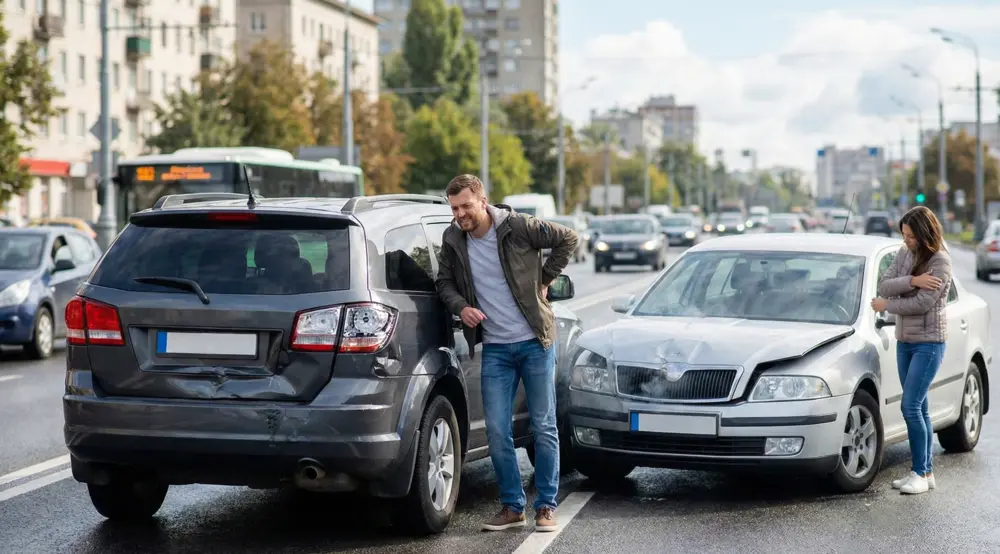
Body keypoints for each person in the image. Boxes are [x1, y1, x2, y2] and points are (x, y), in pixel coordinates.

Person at [435, 174, 579, 532]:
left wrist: (544, 280)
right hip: (496, 348)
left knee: (544, 426)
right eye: (454, 208)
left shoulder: (518, 226)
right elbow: (443, 282)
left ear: (483, 201)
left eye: (466, 205)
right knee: (498, 431)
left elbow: (568, 238)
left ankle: (546, 505)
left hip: (534, 341)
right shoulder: (453, 238)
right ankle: (513, 507)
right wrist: (461, 306)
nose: (460, 214)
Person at [871, 206, 952, 495]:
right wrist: (913, 281)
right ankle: (925, 472)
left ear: (923, 232)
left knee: (910, 406)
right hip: (905, 341)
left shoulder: (941, 261)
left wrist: (888, 305)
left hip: (929, 343)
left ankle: (918, 472)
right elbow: (884, 284)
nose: (905, 240)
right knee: (921, 407)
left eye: (910, 235)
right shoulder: (904, 255)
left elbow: (922, 304)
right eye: (903, 235)